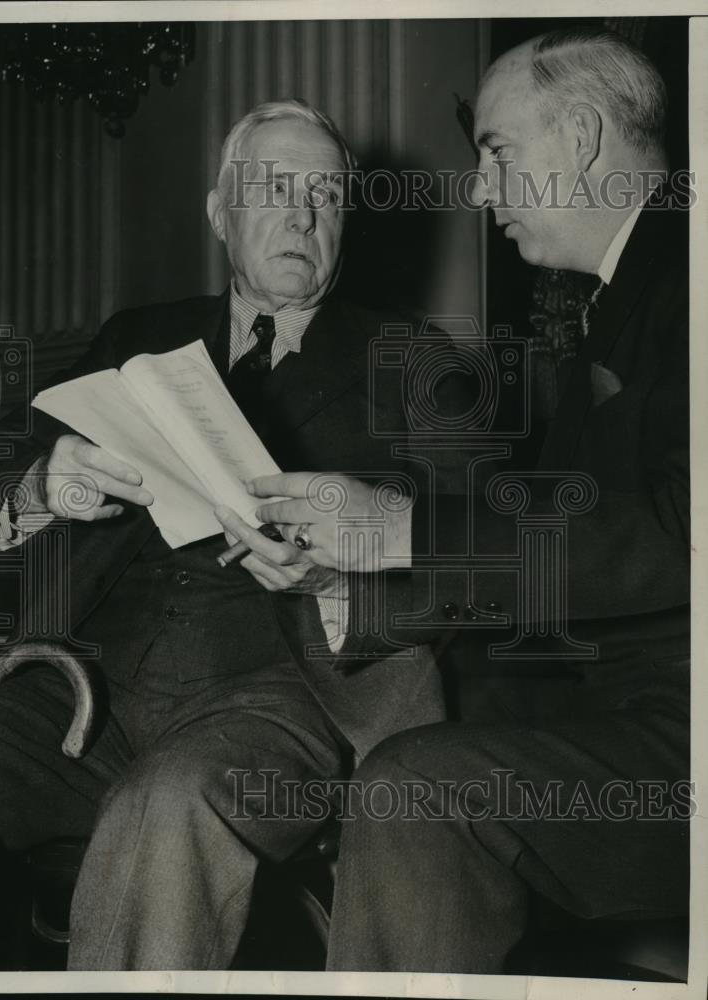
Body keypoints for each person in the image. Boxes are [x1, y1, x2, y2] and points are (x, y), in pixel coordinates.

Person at [218, 29, 691, 972]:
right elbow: (554, 559)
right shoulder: (621, 299)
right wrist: (346, 585)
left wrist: (403, 530)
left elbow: (678, 535)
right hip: (629, 695)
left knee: (418, 789)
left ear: (582, 137)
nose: (477, 190)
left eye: (497, 151)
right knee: (405, 764)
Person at [0, 100, 452, 970]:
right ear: (219, 212)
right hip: (78, 694)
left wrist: (336, 579)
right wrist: (47, 482)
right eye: (274, 188)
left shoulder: (417, 364)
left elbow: (481, 566)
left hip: (277, 705)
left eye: (326, 194)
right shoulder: (136, 337)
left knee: (169, 803)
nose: (302, 215)